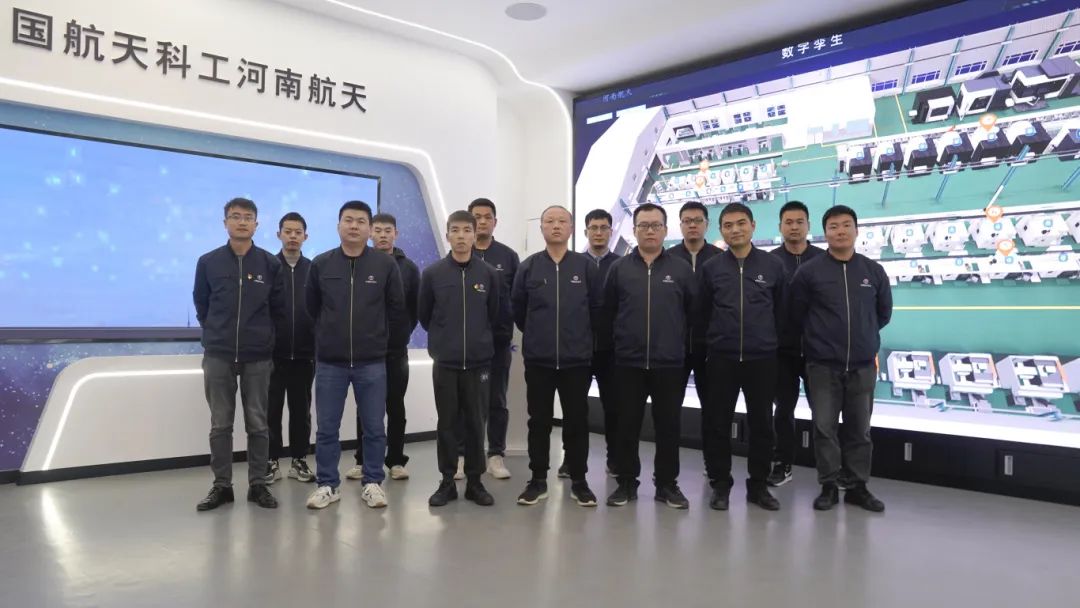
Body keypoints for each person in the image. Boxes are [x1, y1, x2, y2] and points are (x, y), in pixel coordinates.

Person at [304, 201, 409, 510]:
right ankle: (327, 485)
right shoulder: (321, 264)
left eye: (361, 221)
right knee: (327, 428)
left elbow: (396, 309)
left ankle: (373, 482)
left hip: (371, 361)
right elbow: (311, 308)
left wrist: (379, 341)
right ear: (338, 226)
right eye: (348, 220)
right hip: (330, 362)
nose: (354, 226)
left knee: (374, 427)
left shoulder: (385, 265)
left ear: (369, 228)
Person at [789, 205, 892, 512]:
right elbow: (797, 314)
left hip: (862, 366)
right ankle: (829, 485)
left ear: (856, 230)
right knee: (824, 428)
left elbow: (883, 314)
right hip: (822, 366)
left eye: (846, 225)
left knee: (859, 429)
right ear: (825, 233)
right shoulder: (809, 272)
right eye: (833, 227)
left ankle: (858, 486)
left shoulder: (873, 271)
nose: (840, 231)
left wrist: (862, 339)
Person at [603, 203, 697, 510]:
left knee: (668, 427)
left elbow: (693, 313)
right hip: (628, 363)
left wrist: (676, 344)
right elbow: (608, 312)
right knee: (627, 425)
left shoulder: (681, 269)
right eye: (643, 225)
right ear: (634, 231)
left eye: (656, 225)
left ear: (666, 230)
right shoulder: (619, 269)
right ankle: (626, 483)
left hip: (668, 363)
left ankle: (667, 485)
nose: (650, 231)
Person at [193, 197, 283, 511]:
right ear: (225, 223)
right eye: (235, 216)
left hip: (258, 356)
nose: (242, 222)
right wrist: (216, 332)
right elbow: (202, 304)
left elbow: (278, 309)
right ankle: (222, 486)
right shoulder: (208, 262)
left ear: (256, 224)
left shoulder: (270, 264)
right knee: (220, 424)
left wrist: (263, 338)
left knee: (258, 423)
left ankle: (258, 484)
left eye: (247, 217)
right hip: (218, 355)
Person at [511, 206, 603, 507]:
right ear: (541, 228)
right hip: (539, 359)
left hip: (577, 360)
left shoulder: (585, 267)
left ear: (572, 228)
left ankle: (579, 480)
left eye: (562, 221)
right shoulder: (528, 267)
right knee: (538, 421)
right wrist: (538, 336)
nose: (556, 226)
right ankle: (537, 480)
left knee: (577, 421)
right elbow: (519, 311)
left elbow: (597, 310)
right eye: (549, 221)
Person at [699, 203, 786, 511]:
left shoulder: (773, 265)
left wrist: (766, 341)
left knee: (762, 424)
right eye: (728, 225)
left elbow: (782, 311)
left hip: (761, 359)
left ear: (753, 225)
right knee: (717, 424)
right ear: (721, 230)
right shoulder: (711, 268)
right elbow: (702, 312)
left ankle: (758, 486)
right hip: (721, 359)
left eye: (740, 223)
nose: (735, 229)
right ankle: (720, 484)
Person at [421, 210, 500, 507]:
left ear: (475, 234)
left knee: (476, 423)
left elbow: (494, 314)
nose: (461, 236)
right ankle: (447, 481)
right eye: (455, 230)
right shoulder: (433, 274)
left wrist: (479, 341)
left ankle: (475, 482)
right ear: (448, 235)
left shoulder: (488, 274)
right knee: (447, 423)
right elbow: (425, 315)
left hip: (478, 363)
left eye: (467, 230)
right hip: (446, 362)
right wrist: (444, 341)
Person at [348, 213, 420, 482]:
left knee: (395, 406)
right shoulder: (358, 263)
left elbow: (415, 308)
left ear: (396, 234)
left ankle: (396, 460)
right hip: (366, 351)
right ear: (370, 233)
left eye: (387, 230)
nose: (382, 235)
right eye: (377, 230)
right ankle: (362, 459)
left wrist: (400, 334)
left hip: (396, 351)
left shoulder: (409, 268)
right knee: (365, 407)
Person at [557, 208, 621, 479]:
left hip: (612, 350)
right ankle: (570, 460)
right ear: (585, 232)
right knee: (574, 409)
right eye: (593, 228)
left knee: (614, 408)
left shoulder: (621, 265)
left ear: (611, 231)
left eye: (603, 227)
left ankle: (615, 459)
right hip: (578, 349)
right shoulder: (572, 264)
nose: (598, 232)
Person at [767, 200, 823, 487]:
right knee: (783, 410)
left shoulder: (824, 259)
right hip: (781, 352)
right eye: (788, 222)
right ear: (780, 227)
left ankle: (829, 470)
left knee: (823, 413)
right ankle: (782, 463)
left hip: (818, 352)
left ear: (808, 225)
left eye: (799, 222)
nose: (794, 227)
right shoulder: (770, 262)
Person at [666, 201, 722, 482]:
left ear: (706, 224)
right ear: (680, 225)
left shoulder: (720, 259)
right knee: (669, 414)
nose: (692, 225)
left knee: (713, 413)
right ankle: (668, 475)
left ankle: (714, 468)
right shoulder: (668, 259)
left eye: (697, 220)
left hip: (710, 350)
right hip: (674, 350)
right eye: (687, 221)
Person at [467, 198, 519, 480]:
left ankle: (495, 455)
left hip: (498, 344)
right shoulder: (460, 254)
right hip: (467, 344)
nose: (482, 221)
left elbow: (518, 299)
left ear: (495, 222)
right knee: (466, 402)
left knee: (496, 400)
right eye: (477, 217)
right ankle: (464, 454)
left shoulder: (508, 256)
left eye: (487, 217)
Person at [265, 212, 316, 485]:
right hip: (273, 354)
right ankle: (271, 461)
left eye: (298, 232)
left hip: (306, 355)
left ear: (305, 236)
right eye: (288, 231)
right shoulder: (268, 267)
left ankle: (299, 460)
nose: (293, 236)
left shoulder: (314, 268)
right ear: (279, 235)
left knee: (301, 411)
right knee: (270, 410)